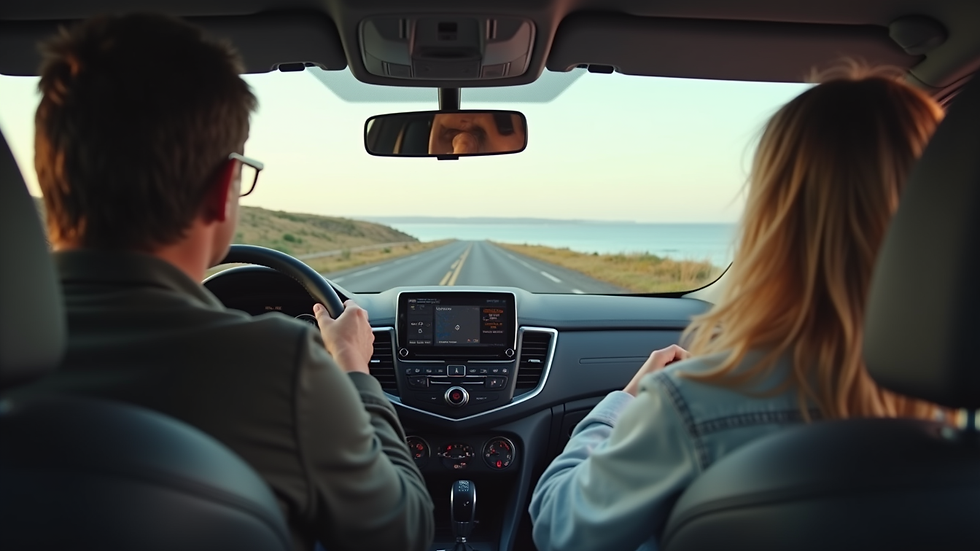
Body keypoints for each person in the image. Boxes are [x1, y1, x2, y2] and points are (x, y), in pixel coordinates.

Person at [11, 13, 433, 551]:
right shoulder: (282, 367)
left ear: (50, 174)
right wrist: (355, 372)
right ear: (223, 189)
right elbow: (403, 534)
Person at [529, 66, 945, 551]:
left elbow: (560, 528)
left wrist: (625, 402)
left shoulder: (694, 404)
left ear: (777, 220)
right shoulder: (955, 413)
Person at [427, 112, 526, 155]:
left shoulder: (437, 149)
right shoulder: (503, 145)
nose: (463, 152)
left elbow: (440, 118)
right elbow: (519, 138)